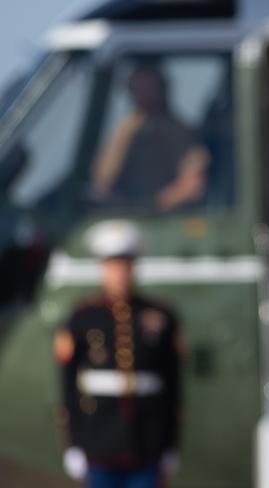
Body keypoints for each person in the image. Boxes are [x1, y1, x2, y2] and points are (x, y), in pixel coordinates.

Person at [54, 220, 182, 487]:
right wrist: (74, 443)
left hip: (147, 441)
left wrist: (170, 443)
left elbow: (173, 385)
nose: (120, 273)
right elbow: (68, 386)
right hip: (99, 440)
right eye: (113, 266)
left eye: (125, 265)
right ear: (102, 269)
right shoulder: (83, 318)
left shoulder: (160, 316)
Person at [91, 63, 209, 211]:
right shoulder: (126, 129)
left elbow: (192, 185)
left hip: (163, 220)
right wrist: (123, 134)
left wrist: (152, 207)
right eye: (137, 88)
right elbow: (102, 182)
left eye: (148, 87)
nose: (142, 93)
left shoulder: (179, 133)